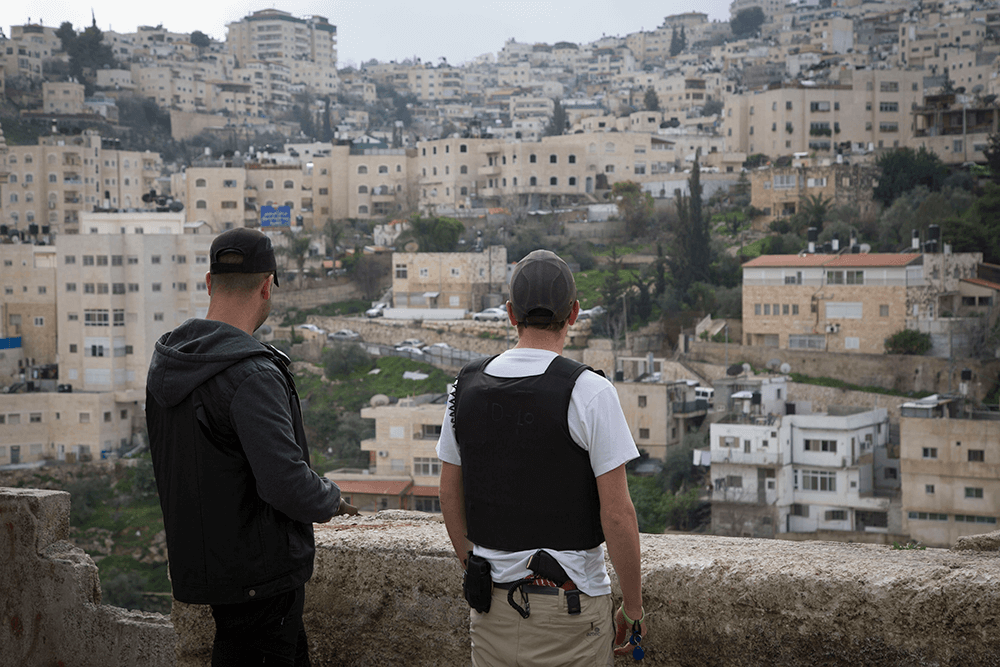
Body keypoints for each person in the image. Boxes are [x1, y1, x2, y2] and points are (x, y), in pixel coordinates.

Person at [146, 227, 354, 667]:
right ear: (266, 286)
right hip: (260, 577)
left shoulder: (169, 361)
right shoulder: (251, 374)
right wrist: (332, 500)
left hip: (209, 569)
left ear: (208, 283)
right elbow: (285, 482)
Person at [437, 249, 645, 667]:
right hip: (568, 613)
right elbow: (618, 514)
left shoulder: (465, 388)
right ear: (574, 313)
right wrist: (633, 609)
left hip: (490, 608)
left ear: (511, 314)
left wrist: (475, 566)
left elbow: (448, 491)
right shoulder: (589, 392)